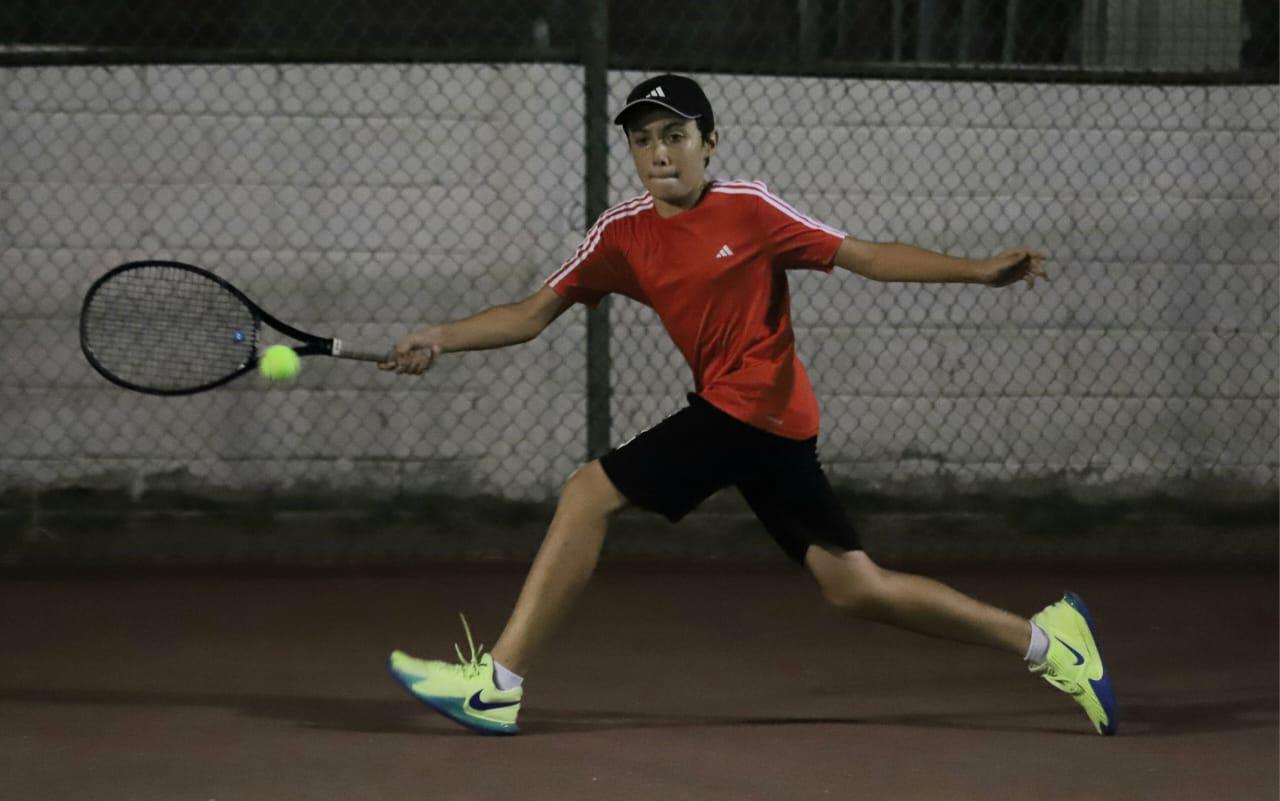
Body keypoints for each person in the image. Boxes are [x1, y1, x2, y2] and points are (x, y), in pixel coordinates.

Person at [378, 73, 1117, 737]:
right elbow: (532, 313)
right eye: (644, 140)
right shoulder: (621, 234)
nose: (660, 152)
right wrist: (440, 337)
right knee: (855, 586)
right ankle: (1052, 642)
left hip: (756, 406)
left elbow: (864, 255)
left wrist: (976, 271)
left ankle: (497, 684)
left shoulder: (750, 208)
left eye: (675, 136)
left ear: (709, 143)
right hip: (758, 424)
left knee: (586, 492)